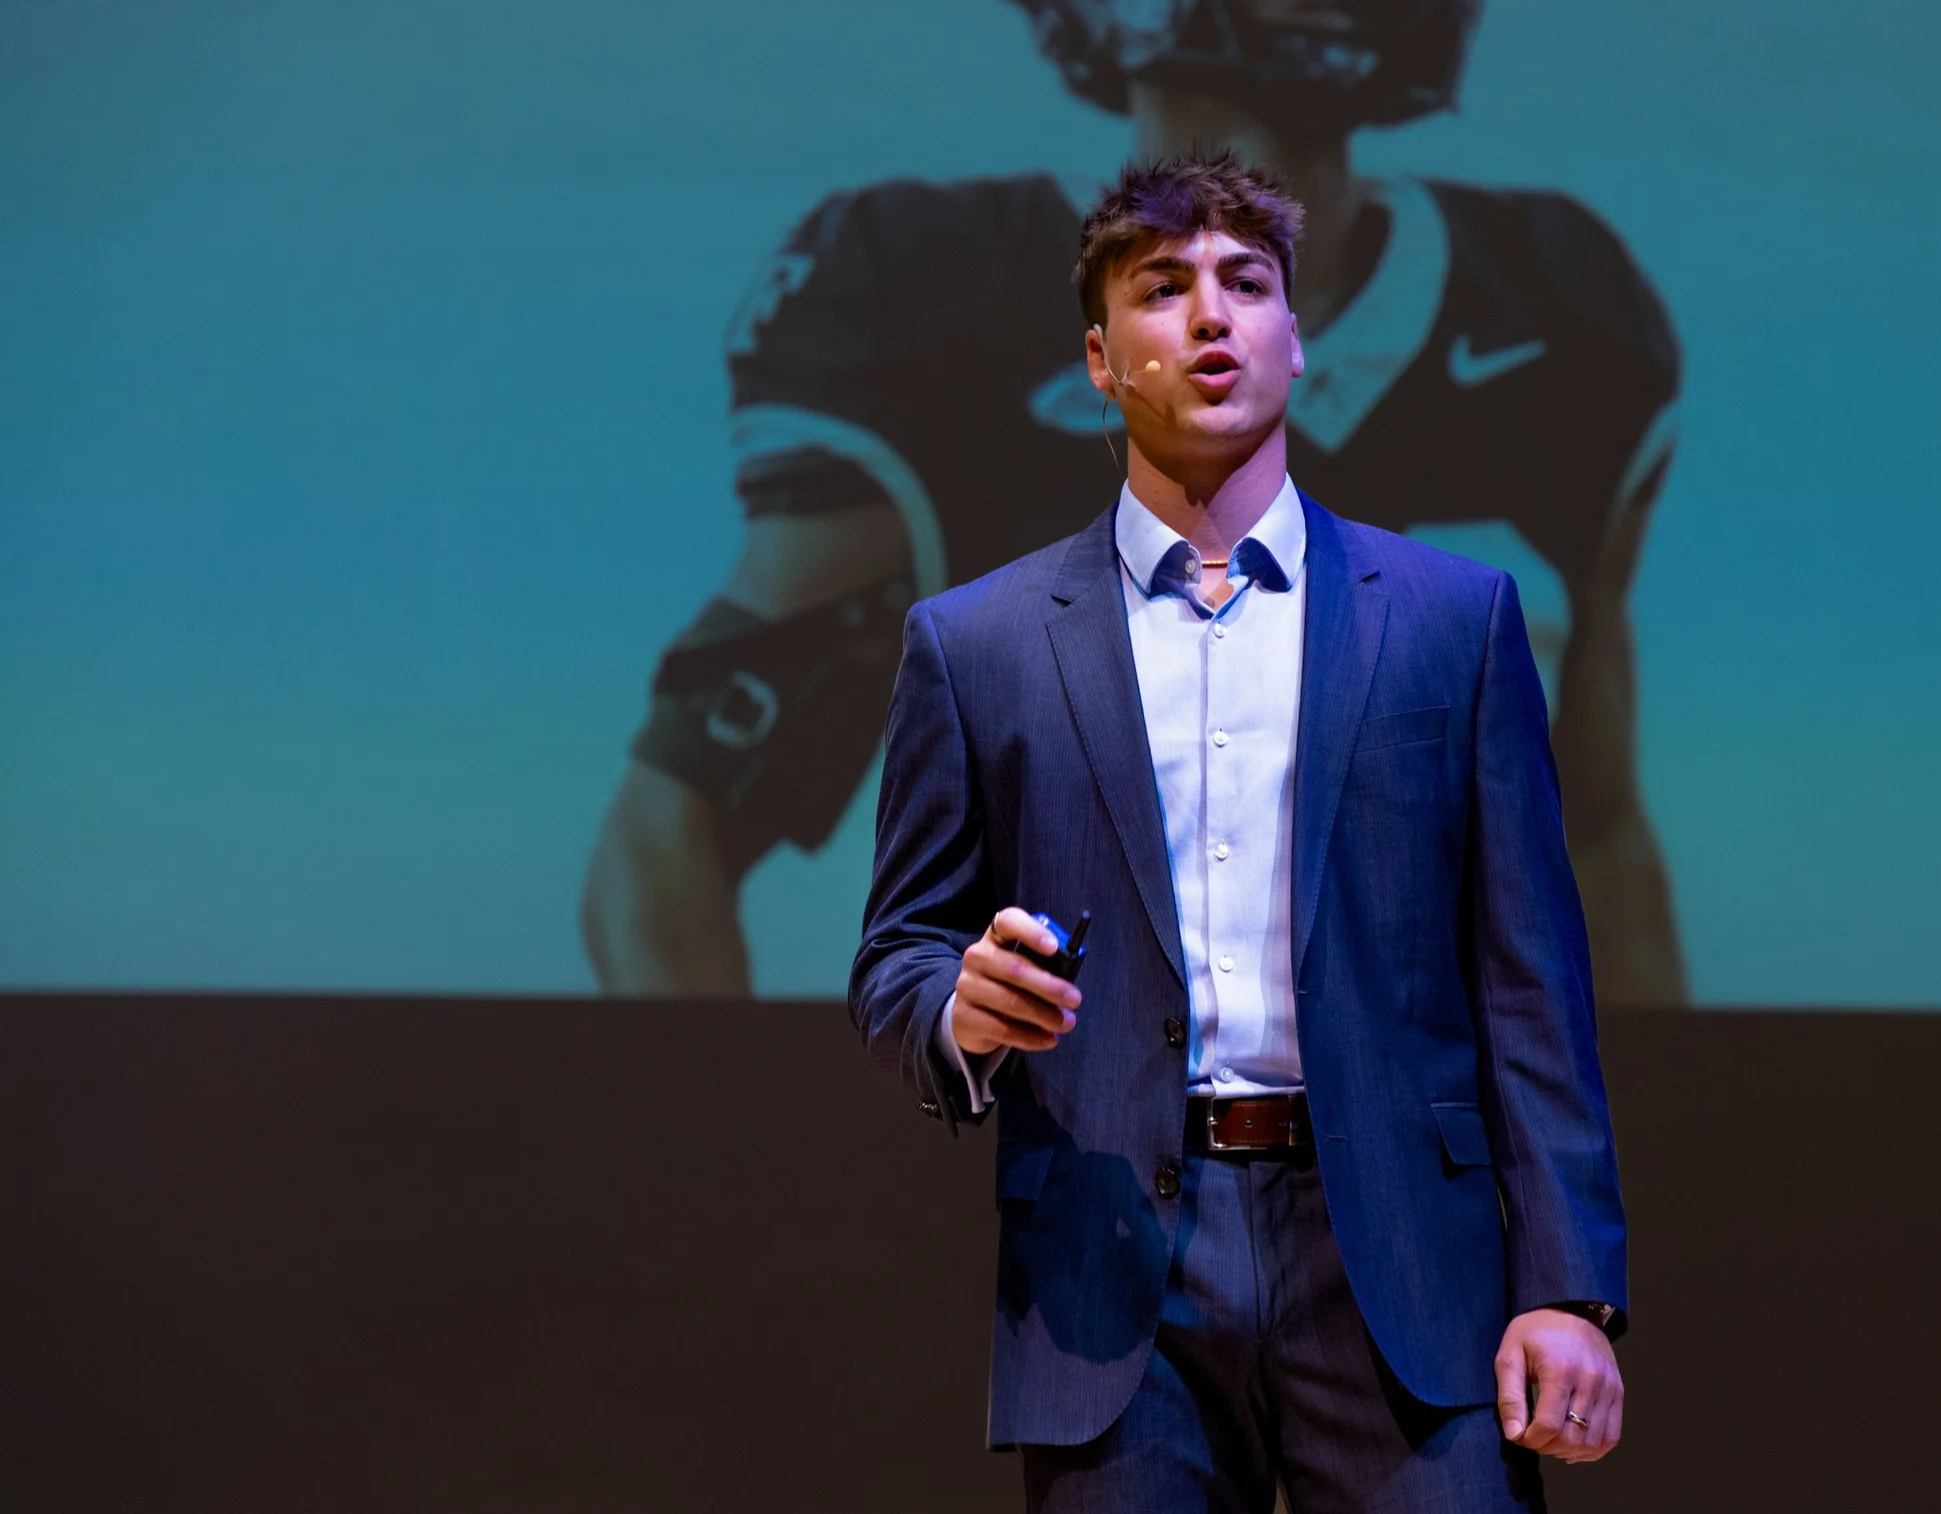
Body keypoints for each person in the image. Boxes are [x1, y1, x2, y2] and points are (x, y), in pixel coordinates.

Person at [584, 0, 1687, 1008]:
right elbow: (666, 834)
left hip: (1413, 1148)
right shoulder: (947, 314)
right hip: (1078, 1139)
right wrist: (742, 1189)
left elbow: (1592, 834)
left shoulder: (1561, 323)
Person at [851, 152, 1626, 1511]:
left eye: (1245, 284)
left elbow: (1529, 984)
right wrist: (961, 1010)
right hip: (1113, 1263)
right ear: (1097, 358)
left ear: (1295, 341)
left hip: (1392, 1239)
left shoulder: (1449, 619)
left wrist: (1565, 1285)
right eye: (1162, 288)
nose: (1209, 316)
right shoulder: (976, 644)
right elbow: (899, 958)